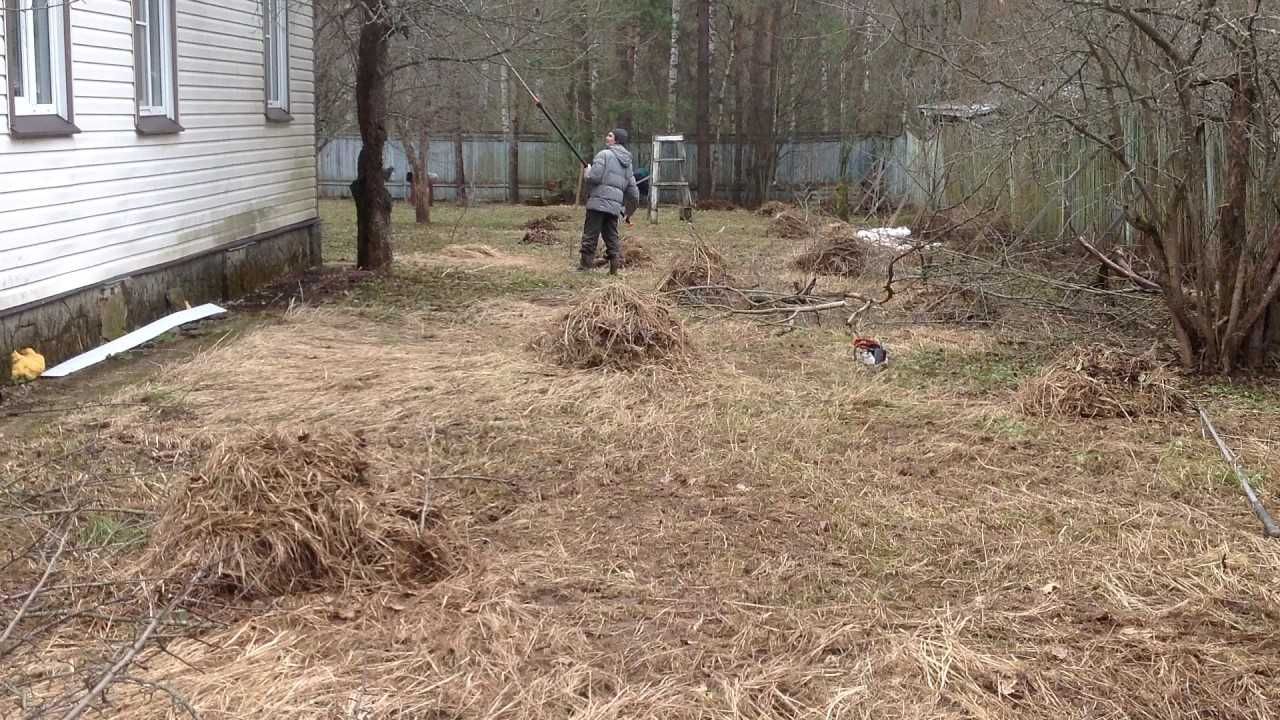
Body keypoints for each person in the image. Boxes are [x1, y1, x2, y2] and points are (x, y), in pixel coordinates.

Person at [579, 128, 641, 274]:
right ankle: (614, 266)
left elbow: (594, 177)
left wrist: (588, 171)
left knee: (590, 234)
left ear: (616, 140)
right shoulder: (628, 164)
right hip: (614, 207)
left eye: (610, 135)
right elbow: (634, 193)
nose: (607, 137)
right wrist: (628, 213)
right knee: (611, 236)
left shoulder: (604, 155)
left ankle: (585, 266)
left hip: (598, 203)